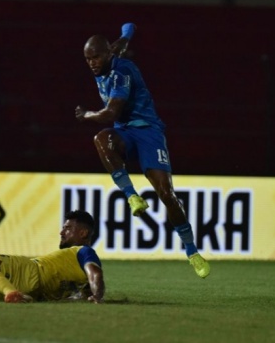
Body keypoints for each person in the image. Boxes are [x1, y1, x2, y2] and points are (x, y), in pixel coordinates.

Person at [75, 22, 210, 279]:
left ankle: (192, 251)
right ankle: (132, 196)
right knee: (101, 140)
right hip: (124, 132)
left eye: (95, 57)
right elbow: (124, 38)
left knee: (167, 194)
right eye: (87, 59)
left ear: (107, 55)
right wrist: (127, 31)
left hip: (148, 130)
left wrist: (86, 114)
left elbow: (111, 112)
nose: (91, 63)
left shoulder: (121, 71)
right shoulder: (110, 55)